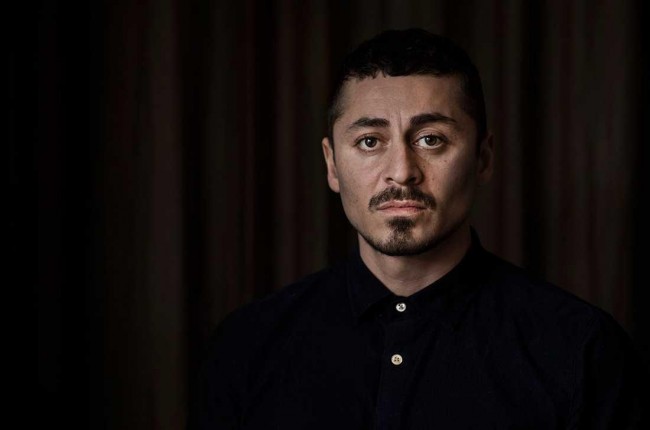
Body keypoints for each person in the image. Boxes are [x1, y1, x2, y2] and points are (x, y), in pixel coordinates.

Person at [192, 28, 647, 429]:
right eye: (370, 141)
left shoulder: (581, 350)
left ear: (483, 158)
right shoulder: (247, 345)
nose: (402, 172)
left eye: (431, 140)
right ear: (332, 165)